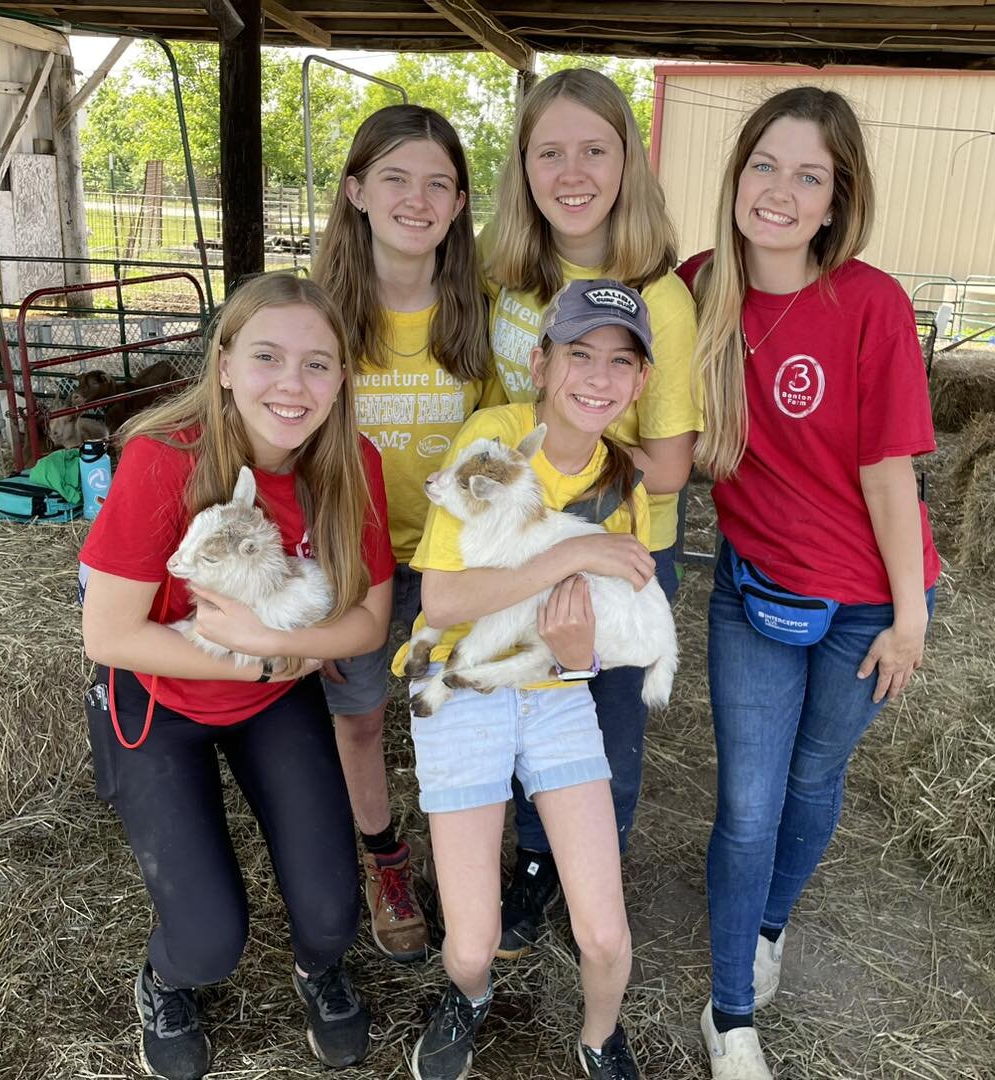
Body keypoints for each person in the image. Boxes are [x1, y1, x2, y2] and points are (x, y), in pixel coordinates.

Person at [676, 87, 941, 1080]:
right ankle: (731, 1015)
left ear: (836, 201)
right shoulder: (697, 287)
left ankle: (771, 923)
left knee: (814, 777)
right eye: (765, 166)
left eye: (808, 176)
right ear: (737, 175)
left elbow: (888, 472)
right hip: (752, 594)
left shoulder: (871, 303)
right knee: (746, 802)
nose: (780, 192)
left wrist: (910, 620)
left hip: (867, 603)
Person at [79, 273, 395, 1079]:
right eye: (266, 357)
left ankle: (317, 966)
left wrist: (294, 653)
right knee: (209, 942)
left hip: (272, 695)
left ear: (342, 378)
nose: (292, 385)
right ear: (222, 364)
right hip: (161, 694)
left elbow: (369, 621)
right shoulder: (164, 461)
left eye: (317, 364)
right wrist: (257, 655)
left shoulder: (352, 465)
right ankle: (165, 979)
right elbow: (107, 633)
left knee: (332, 917)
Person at [399, 279, 660, 1080]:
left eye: (621, 362)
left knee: (606, 936)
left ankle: (598, 1035)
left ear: (641, 381)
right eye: (580, 354)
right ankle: (467, 998)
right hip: (459, 681)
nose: (598, 377)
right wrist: (574, 552)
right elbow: (442, 599)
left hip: (553, 696)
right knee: (470, 946)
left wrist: (581, 657)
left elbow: (607, 642)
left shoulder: (624, 487)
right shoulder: (494, 441)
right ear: (542, 363)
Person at [482, 66, 700, 957]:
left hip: (617, 550)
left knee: (601, 730)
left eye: (595, 150)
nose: (572, 172)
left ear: (628, 161)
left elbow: (674, 464)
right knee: (528, 709)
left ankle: (592, 884)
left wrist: (561, 472)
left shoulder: (660, 295)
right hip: (519, 543)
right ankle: (536, 864)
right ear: (523, 168)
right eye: (549, 152)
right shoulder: (509, 281)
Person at [310, 103, 494, 963]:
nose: (415, 200)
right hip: (358, 560)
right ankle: (385, 858)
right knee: (358, 719)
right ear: (355, 191)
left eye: (437, 184)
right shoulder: (320, 318)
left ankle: (467, 872)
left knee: (458, 714)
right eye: (394, 178)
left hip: (452, 560)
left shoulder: (482, 318)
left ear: (459, 205)